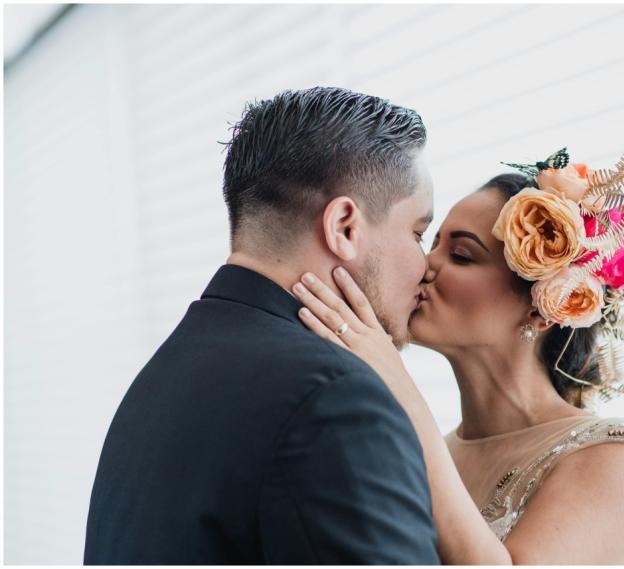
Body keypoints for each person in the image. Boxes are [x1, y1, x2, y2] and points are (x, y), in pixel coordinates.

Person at [84, 86, 440, 564]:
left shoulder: (161, 376)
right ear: (345, 228)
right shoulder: (335, 398)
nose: (427, 265)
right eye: (418, 233)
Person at [292, 160, 624, 563]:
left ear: (543, 307)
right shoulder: (423, 450)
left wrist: (398, 385)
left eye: (461, 255)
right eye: (428, 242)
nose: (425, 266)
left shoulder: (615, 457)